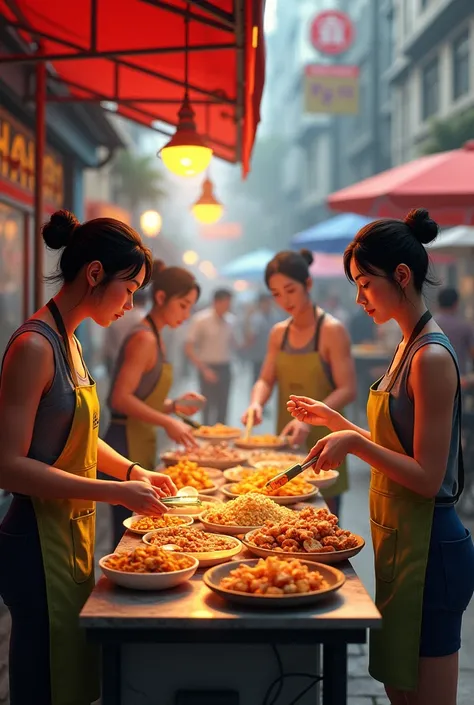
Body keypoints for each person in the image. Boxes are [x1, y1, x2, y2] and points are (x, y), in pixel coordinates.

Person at [288, 209, 474, 705]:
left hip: (432, 546)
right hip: (402, 540)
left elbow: (428, 477)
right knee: (398, 688)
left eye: (365, 284)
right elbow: (398, 449)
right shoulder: (405, 346)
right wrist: (339, 422)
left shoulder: (430, 357)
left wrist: (355, 443)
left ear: (402, 276)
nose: (358, 298)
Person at [0, 210, 177, 705]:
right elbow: (8, 465)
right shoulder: (35, 346)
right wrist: (115, 491)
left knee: (73, 676)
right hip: (34, 539)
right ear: (95, 273)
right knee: (43, 680)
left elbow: (79, 435)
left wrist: (132, 470)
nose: (131, 304)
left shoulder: (70, 342)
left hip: (71, 530)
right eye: (129, 288)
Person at [242, 250, 357, 515]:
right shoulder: (278, 333)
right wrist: (255, 403)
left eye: (290, 290)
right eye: (276, 294)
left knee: (324, 526)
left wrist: (309, 418)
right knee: (285, 523)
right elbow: (265, 379)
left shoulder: (331, 331)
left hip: (328, 443)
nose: (284, 300)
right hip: (286, 444)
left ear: (308, 284)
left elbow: (348, 389)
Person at [103, 259, 203, 546]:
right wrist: (167, 420)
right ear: (161, 298)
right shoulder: (144, 338)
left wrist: (172, 406)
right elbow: (120, 398)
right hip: (124, 442)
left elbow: (143, 397)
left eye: (190, 307)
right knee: (128, 535)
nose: (186, 314)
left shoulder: (157, 337)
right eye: (183, 305)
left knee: (142, 528)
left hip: (142, 441)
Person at [185, 288, 236, 426]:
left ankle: (221, 437)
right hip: (207, 366)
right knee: (207, 406)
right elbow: (189, 347)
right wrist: (204, 369)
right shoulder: (201, 320)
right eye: (226, 303)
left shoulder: (231, 321)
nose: (228, 306)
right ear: (216, 302)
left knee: (223, 405)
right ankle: (207, 436)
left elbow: (235, 344)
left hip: (225, 367)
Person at [102, 285, 150, 376]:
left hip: (115, 362)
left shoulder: (117, 316)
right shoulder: (145, 319)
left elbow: (107, 345)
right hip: (138, 365)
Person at [436, 287, 474, 377]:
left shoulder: (429, 324)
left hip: (433, 379)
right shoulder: (464, 326)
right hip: (459, 380)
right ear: (456, 303)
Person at [243, 294, 280, 383]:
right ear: (260, 304)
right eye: (265, 302)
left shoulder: (276, 317)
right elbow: (251, 337)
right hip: (258, 357)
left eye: (268, 302)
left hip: (272, 357)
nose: (267, 305)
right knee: (258, 381)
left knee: (270, 383)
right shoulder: (256, 318)